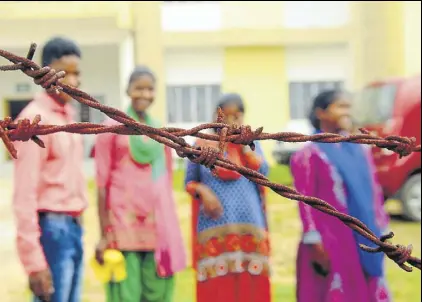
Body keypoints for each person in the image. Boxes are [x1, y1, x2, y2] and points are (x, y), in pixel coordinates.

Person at [94, 66, 186, 302]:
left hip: (156, 224)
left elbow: (164, 181)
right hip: (123, 222)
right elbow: (102, 184)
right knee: (127, 292)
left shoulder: (159, 131)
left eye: (150, 89)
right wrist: (105, 232)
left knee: (157, 290)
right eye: (139, 88)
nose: (145, 94)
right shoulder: (111, 128)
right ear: (128, 90)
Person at [290, 90, 392, 302]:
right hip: (331, 240)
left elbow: (374, 192)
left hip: (367, 234)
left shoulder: (360, 149)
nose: (347, 112)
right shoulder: (309, 154)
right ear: (321, 113)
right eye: (340, 107)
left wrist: (382, 228)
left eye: (348, 107)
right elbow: (305, 200)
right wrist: (314, 240)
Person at [12, 37, 88, 302]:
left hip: (74, 226)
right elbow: (24, 193)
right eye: (67, 74)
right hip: (52, 229)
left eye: (78, 74)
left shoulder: (68, 117)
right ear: (45, 72)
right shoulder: (35, 120)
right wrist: (33, 261)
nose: (75, 82)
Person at [184, 93, 272, 302]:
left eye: (237, 115)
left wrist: (244, 147)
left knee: (251, 284)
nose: (233, 121)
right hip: (214, 226)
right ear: (217, 117)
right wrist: (204, 192)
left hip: (249, 226)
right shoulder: (202, 143)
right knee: (217, 288)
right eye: (227, 116)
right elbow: (188, 182)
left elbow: (264, 173)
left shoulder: (251, 145)